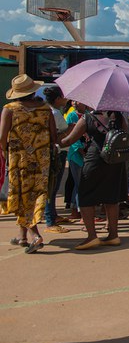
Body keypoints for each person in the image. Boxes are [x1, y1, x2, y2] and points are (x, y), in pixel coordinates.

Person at [0, 74, 57, 253]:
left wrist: (5, 152)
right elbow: (54, 136)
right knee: (36, 193)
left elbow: (2, 137)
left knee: (22, 194)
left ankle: (35, 236)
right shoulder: (46, 109)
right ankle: (22, 236)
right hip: (42, 159)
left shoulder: (10, 109)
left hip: (19, 159)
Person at [61, 107, 129, 250]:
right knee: (111, 197)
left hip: (95, 159)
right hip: (115, 161)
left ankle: (92, 236)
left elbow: (69, 140)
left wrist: (56, 138)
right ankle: (113, 235)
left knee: (86, 196)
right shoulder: (118, 116)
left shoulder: (88, 118)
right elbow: (126, 135)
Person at [43, 85, 72, 234]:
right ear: (58, 99)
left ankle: (53, 215)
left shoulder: (53, 112)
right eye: (63, 97)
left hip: (59, 152)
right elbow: (60, 133)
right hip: (57, 153)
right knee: (52, 188)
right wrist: (71, 128)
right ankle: (50, 221)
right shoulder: (54, 113)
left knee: (53, 187)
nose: (66, 99)